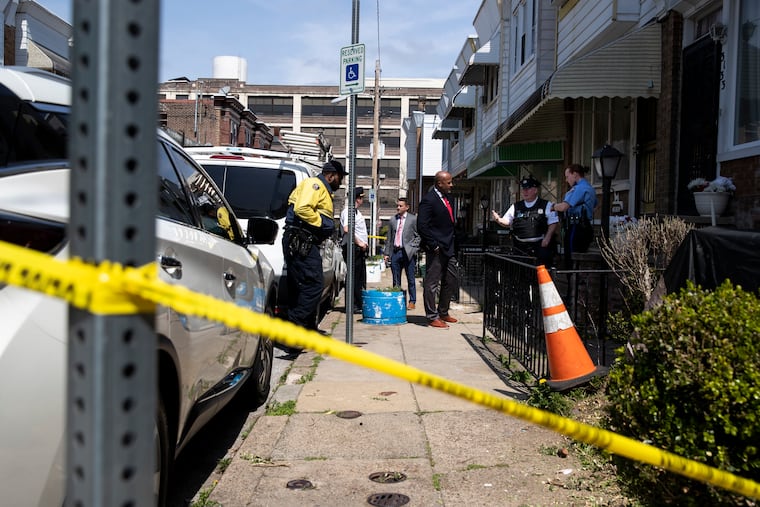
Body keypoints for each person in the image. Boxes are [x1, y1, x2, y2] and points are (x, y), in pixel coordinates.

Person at [282, 159, 347, 331]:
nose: (341, 183)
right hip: (302, 240)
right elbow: (302, 209)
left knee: (301, 287)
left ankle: (307, 329)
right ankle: (294, 330)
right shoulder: (315, 185)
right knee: (314, 285)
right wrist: (321, 224)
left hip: (303, 241)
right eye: (340, 178)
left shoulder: (322, 189)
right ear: (331, 176)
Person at [417, 171, 459, 329]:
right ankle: (432, 316)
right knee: (432, 283)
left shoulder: (449, 198)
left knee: (451, 280)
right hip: (436, 248)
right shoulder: (428, 201)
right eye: (448, 182)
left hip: (450, 247)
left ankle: (443, 311)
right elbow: (422, 226)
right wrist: (433, 244)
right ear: (439, 183)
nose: (451, 185)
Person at [491, 176, 559, 267]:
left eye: (528, 189)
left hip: (539, 247)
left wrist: (547, 238)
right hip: (520, 248)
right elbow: (507, 222)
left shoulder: (546, 205)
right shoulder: (516, 206)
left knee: (542, 274)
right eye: (523, 189)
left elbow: (553, 222)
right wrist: (498, 219)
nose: (525, 191)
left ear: (535, 190)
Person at [552, 164, 598, 260]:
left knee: (571, 258)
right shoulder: (590, 188)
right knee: (579, 259)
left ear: (575, 174)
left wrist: (552, 207)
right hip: (586, 226)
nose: (566, 180)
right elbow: (595, 207)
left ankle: (571, 275)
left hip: (576, 227)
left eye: (567, 176)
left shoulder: (578, 189)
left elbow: (564, 206)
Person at [383, 197, 421, 310]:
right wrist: (386, 253)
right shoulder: (393, 220)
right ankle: (397, 299)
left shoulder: (413, 219)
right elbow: (389, 238)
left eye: (400, 206)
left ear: (407, 207)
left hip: (408, 253)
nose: (398, 208)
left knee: (410, 278)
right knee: (396, 278)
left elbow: (418, 236)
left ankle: (412, 301)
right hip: (395, 252)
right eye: (397, 205)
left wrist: (413, 248)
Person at [340, 186, 369, 313]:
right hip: (353, 248)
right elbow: (347, 229)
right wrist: (359, 243)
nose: (362, 200)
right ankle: (353, 305)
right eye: (361, 197)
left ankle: (357, 303)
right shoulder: (349, 211)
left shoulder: (357, 212)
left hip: (359, 250)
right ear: (358, 199)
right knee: (353, 278)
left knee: (358, 278)